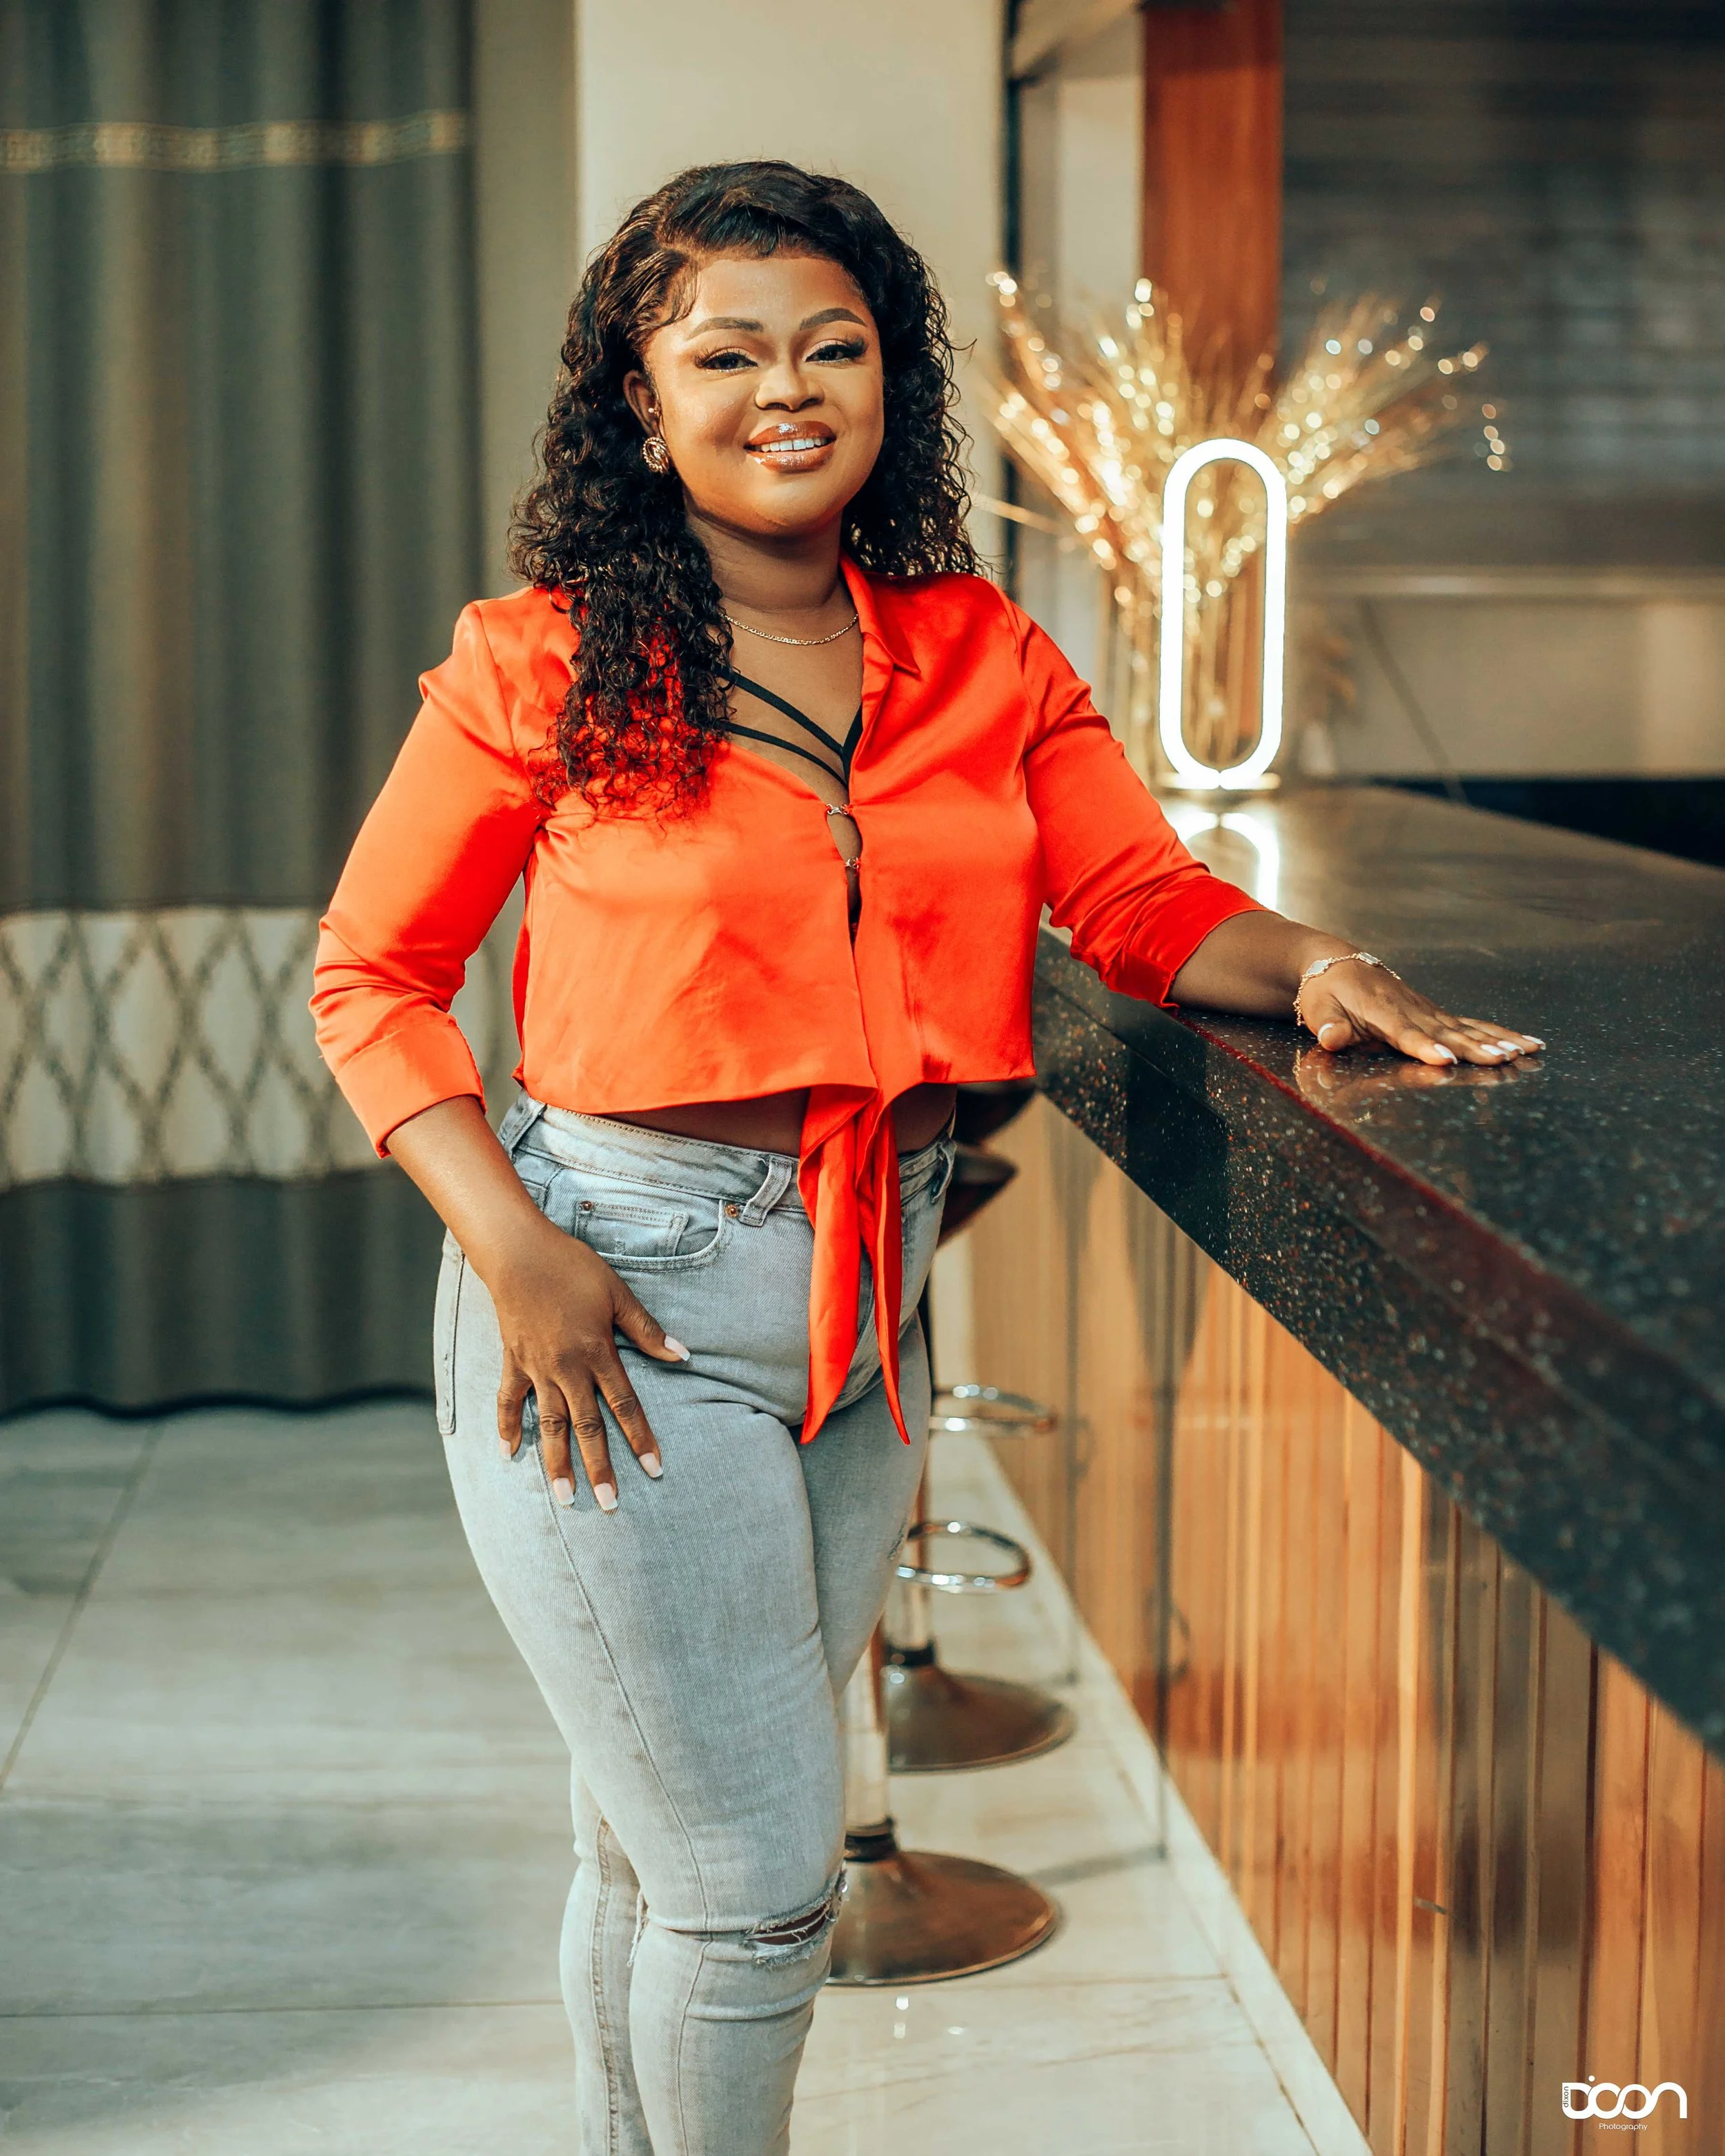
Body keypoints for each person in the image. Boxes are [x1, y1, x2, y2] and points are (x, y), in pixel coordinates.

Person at [310, 159, 1541, 2156]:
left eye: (833, 346)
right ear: (641, 400)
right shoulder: (537, 659)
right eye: (725, 352)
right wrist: (514, 1243)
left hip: (863, 1295)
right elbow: (370, 976)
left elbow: (1134, 897)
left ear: (889, 377)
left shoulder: (978, 650)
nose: (785, 388)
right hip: (607, 1289)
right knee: (754, 1875)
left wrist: (1314, 961)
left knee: (662, 1851)